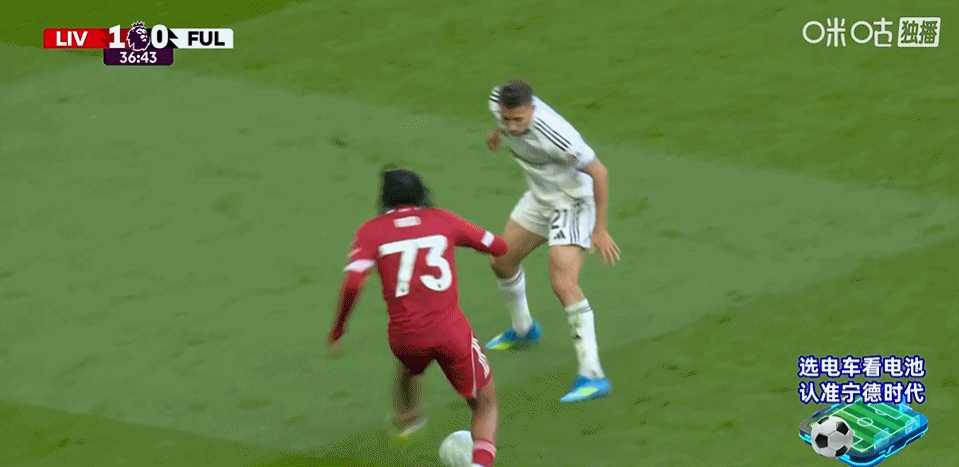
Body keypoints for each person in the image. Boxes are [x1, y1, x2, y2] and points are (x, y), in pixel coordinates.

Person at [327, 168, 506, 467]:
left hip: (404, 337)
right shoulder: (442, 219)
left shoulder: (371, 230)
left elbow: (354, 282)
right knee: (485, 403)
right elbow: (498, 246)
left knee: (410, 362)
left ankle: (408, 417)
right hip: (451, 332)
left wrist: (338, 330)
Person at [483, 79, 621, 403]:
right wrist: (497, 133)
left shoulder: (557, 134)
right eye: (506, 119)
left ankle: (593, 375)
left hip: (573, 202)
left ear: (532, 110)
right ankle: (524, 329)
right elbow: (505, 121)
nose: (512, 126)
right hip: (540, 197)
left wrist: (599, 228)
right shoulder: (498, 103)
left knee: (563, 282)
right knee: (501, 260)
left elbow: (599, 172)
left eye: (519, 120)